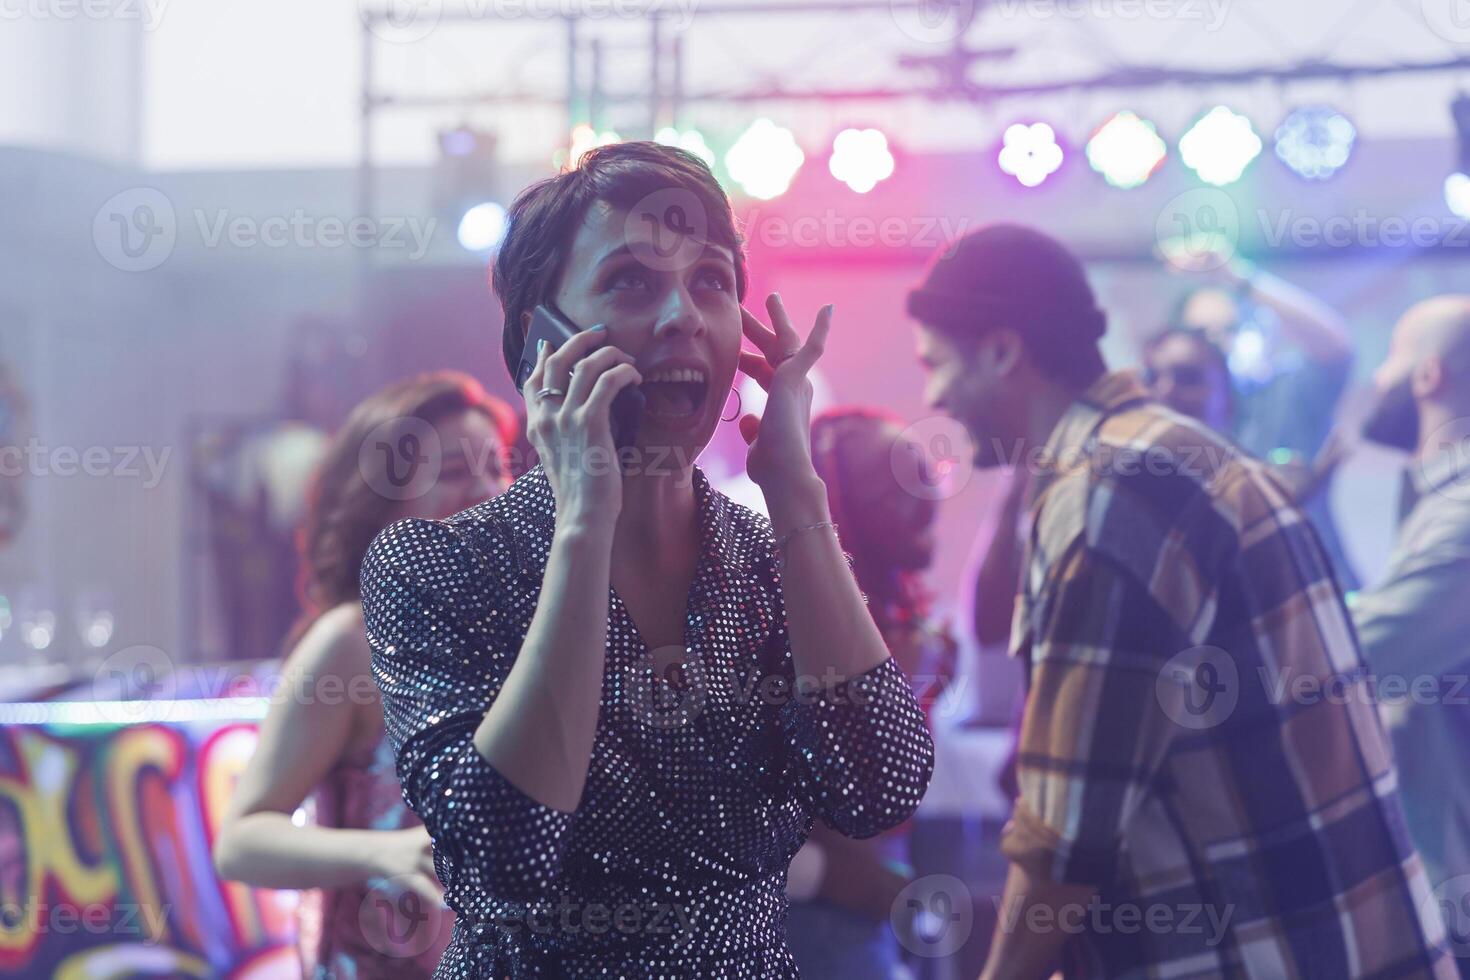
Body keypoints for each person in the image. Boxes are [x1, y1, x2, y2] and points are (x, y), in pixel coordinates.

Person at [361, 141, 934, 977]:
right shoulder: (438, 565)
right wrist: (584, 522)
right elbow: (504, 856)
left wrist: (797, 492)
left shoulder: (773, 560)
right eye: (631, 280)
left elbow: (878, 789)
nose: (683, 317)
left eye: (710, 281)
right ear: (539, 336)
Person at [906, 224, 1456, 979]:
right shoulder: (1137, 460)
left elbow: (1064, 841)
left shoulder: (1112, 492)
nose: (931, 395)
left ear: (1002, 352)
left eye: (935, 364)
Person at [213, 372, 517, 979]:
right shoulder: (351, 643)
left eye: (498, 467)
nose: (487, 491)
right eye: (455, 472)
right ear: (382, 501)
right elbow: (241, 841)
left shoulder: (525, 633)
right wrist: (391, 852)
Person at [785, 407, 959, 979]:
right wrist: (826, 877)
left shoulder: (908, 623)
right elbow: (719, 808)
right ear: (839, 503)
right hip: (814, 918)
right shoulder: (787, 621)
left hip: (885, 890)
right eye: (897, 484)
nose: (926, 496)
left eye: (926, 475)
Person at [1353, 295, 1470, 976]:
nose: (1376, 380)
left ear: (1428, 376)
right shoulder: (1440, 504)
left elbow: (1363, 660)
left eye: (1389, 357)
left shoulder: (1461, 513)